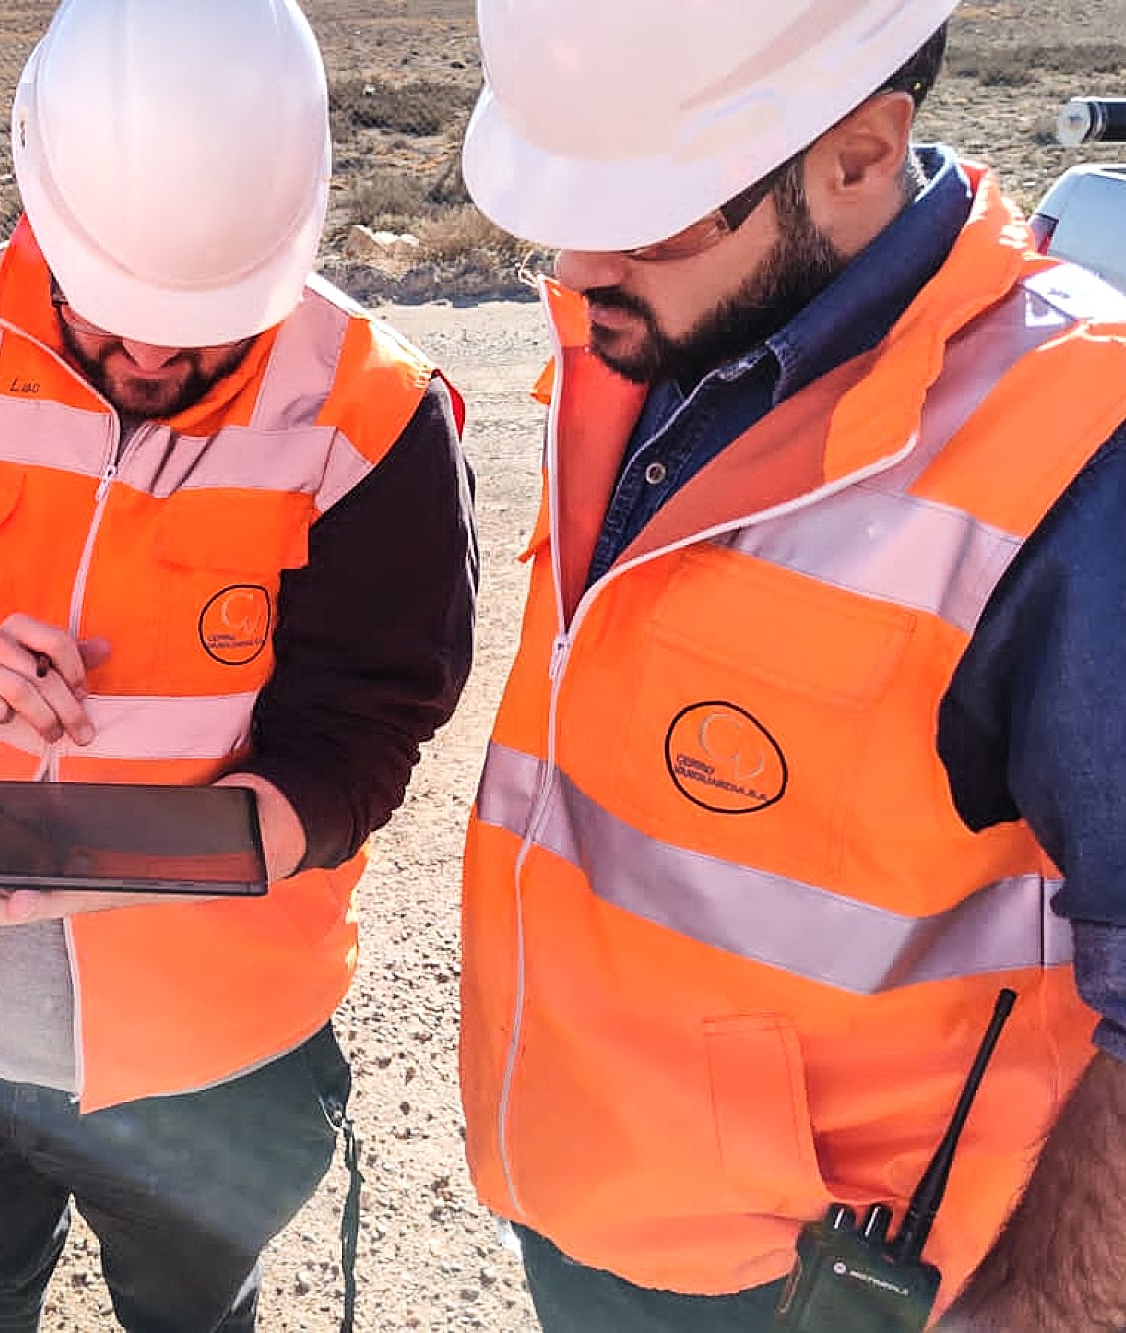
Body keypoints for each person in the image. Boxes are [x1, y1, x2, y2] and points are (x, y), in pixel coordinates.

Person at [0, 0, 478, 1326]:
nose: (148, 354)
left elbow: (362, 741)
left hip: (217, 1050)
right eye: (110, 310)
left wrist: (79, 856)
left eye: (203, 325)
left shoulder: (373, 416)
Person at [456, 1, 1126, 1329]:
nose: (580, 267)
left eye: (652, 215)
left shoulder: (1080, 458)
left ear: (866, 151)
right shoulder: (659, 323)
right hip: (576, 1203)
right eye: (565, 205)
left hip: (832, 1285)